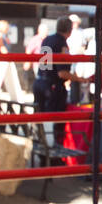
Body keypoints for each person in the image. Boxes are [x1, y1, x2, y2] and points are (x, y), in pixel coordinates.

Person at [32, 17, 74, 153]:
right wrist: (80, 79)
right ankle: (54, 154)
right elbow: (62, 73)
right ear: (70, 30)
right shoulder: (62, 44)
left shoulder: (47, 40)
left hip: (39, 82)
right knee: (54, 121)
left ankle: (41, 149)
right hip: (53, 87)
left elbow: (44, 64)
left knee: (41, 119)